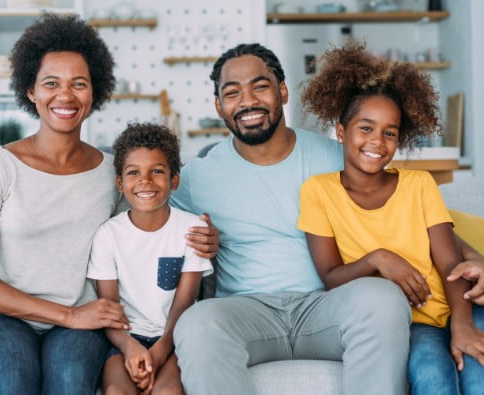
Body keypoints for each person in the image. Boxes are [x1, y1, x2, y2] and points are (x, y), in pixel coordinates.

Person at [0, 14, 217, 394]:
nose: (65, 96)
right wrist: (69, 314)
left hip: (82, 320)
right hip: (3, 318)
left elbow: (147, 227)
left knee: (71, 385)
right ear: (31, 91)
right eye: (51, 84)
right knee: (13, 384)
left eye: (79, 84)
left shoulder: (110, 171)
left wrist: (202, 235)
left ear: (94, 93)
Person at [171, 42, 412, 395]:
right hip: (246, 312)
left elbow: (409, 207)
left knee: (382, 299)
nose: (248, 101)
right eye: (232, 92)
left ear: (282, 92)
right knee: (196, 324)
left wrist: (470, 257)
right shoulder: (197, 177)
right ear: (219, 106)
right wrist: (193, 239)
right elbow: (148, 220)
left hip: (328, 306)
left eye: (260, 86)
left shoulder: (336, 157)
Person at [298, 42, 484, 395]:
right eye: (365, 128)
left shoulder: (418, 184)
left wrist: (462, 325)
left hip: (464, 308)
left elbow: (451, 262)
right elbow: (331, 278)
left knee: (478, 376)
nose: (377, 142)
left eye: (389, 132)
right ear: (341, 132)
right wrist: (378, 259)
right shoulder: (318, 192)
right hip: (412, 324)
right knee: (433, 380)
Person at [88, 123, 213, 395]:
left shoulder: (193, 229)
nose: (145, 181)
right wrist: (130, 347)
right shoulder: (108, 235)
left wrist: (158, 353)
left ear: (174, 180)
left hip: (174, 338)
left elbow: (183, 304)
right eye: (134, 173)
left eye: (157, 171)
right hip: (123, 340)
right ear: (120, 184)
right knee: (115, 392)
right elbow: (109, 309)